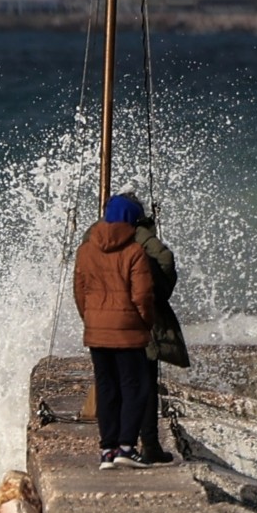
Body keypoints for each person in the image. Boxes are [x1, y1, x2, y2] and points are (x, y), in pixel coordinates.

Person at [71, 193, 156, 469]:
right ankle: (127, 447)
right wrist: (145, 323)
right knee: (136, 388)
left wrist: (91, 319)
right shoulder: (134, 252)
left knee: (106, 387)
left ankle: (107, 450)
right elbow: (143, 296)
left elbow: (80, 292)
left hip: (96, 329)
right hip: (127, 331)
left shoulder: (85, 250)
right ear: (131, 220)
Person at [116, 192, 189, 463]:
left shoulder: (95, 237)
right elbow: (165, 260)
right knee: (144, 386)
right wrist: (160, 294)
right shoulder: (140, 235)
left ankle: (111, 449)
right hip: (139, 323)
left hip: (107, 325)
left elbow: (82, 280)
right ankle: (148, 445)